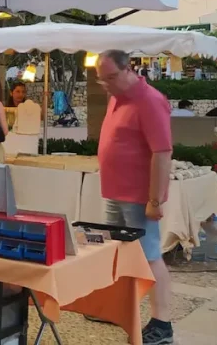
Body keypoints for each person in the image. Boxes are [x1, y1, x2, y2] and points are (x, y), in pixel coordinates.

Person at [95, 50, 174, 345]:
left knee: (149, 256)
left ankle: (162, 323)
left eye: (111, 77)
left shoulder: (150, 100)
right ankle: (117, 308)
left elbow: (162, 152)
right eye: (102, 80)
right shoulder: (116, 97)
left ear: (128, 69)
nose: (107, 84)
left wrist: (155, 200)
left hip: (138, 196)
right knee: (117, 252)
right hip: (115, 191)